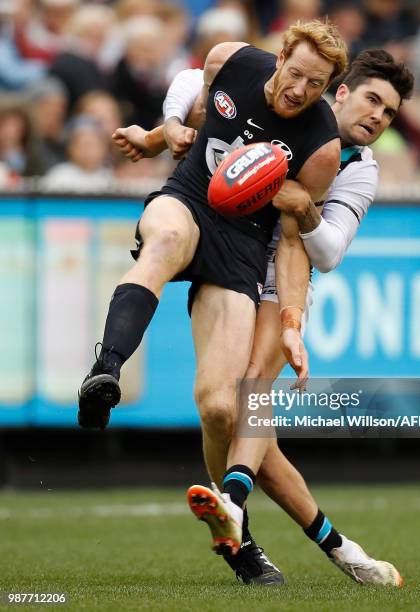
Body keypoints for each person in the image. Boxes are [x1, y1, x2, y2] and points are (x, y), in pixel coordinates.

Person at [114, 49, 414, 586]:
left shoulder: (360, 171)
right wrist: (168, 129)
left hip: (282, 278)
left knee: (252, 395)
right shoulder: (290, 99)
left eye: (389, 113)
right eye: (372, 99)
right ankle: (340, 547)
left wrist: (304, 206)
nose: (378, 116)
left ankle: (232, 511)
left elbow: (326, 251)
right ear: (340, 92)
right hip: (229, 253)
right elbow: (192, 79)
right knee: (222, 413)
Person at [78, 17, 347, 569]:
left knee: (223, 407)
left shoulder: (321, 148)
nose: (299, 90)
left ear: (326, 89)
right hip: (189, 199)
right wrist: (160, 133)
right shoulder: (232, 61)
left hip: (241, 249)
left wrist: (292, 320)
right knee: (165, 239)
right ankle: (106, 370)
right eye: (295, 73)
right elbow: (193, 108)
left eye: (315, 84)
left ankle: (235, 535)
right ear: (278, 58)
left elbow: (293, 243)